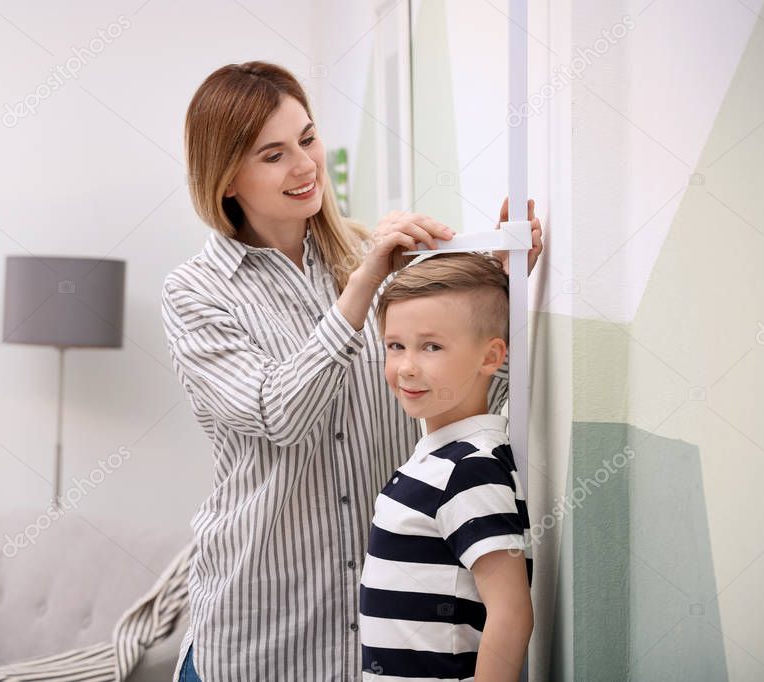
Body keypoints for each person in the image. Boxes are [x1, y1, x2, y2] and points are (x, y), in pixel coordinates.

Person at [161, 60, 543, 681]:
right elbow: (277, 414)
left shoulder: (368, 256)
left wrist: (500, 293)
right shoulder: (196, 294)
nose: (306, 165)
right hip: (261, 631)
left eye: (307, 138)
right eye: (273, 154)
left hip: (379, 634)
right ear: (227, 177)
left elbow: (460, 394)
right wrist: (365, 282)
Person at [359, 253, 533, 681]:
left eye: (431, 346)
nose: (406, 367)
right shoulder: (434, 458)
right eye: (395, 345)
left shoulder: (469, 469)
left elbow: (511, 614)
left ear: (491, 357)